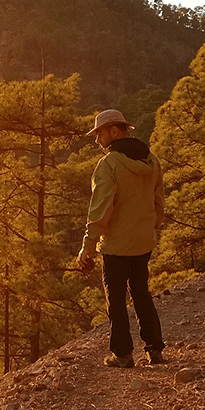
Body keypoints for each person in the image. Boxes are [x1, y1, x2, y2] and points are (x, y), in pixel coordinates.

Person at [75, 109, 166, 368]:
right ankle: (154, 349)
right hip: (143, 242)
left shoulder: (109, 164)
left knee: (115, 299)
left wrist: (88, 246)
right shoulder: (152, 161)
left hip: (116, 244)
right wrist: (153, 226)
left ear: (115, 131)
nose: (96, 140)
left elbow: (101, 208)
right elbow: (158, 200)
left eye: (99, 134)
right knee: (141, 293)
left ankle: (123, 354)